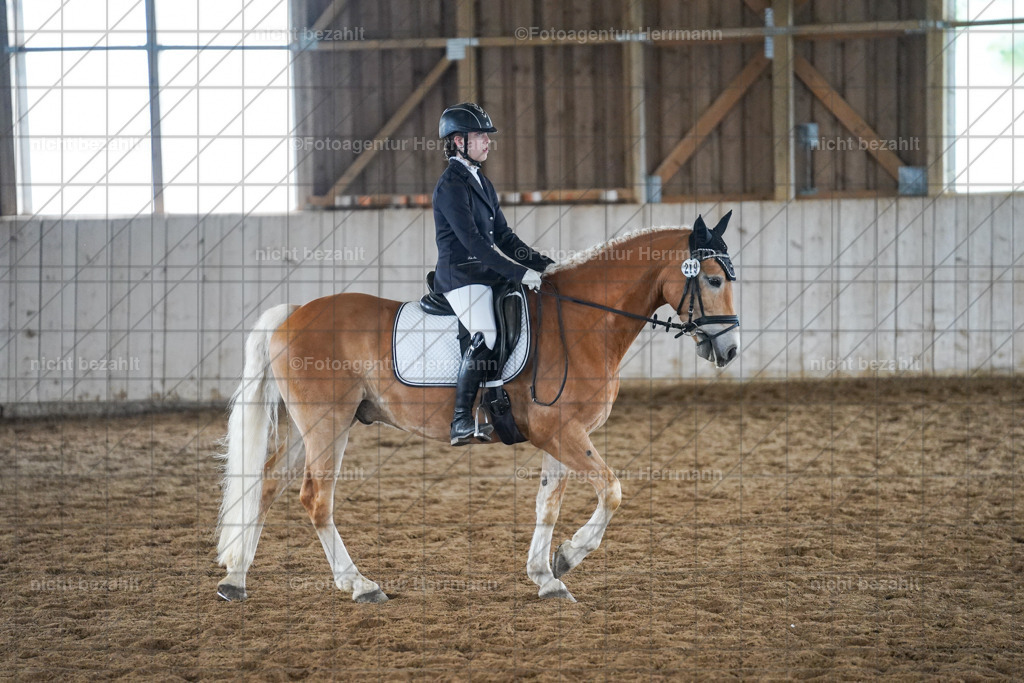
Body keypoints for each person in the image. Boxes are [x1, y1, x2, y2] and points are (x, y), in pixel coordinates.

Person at [432, 102, 554, 446]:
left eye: (487, 136)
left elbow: (504, 237)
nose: (487, 142)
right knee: (486, 334)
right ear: (458, 142)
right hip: (460, 275)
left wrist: (543, 264)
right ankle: (460, 420)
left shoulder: (481, 181)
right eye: (480, 136)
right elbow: (473, 242)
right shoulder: (450, 185)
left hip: (484, 272)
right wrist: (518, 273)